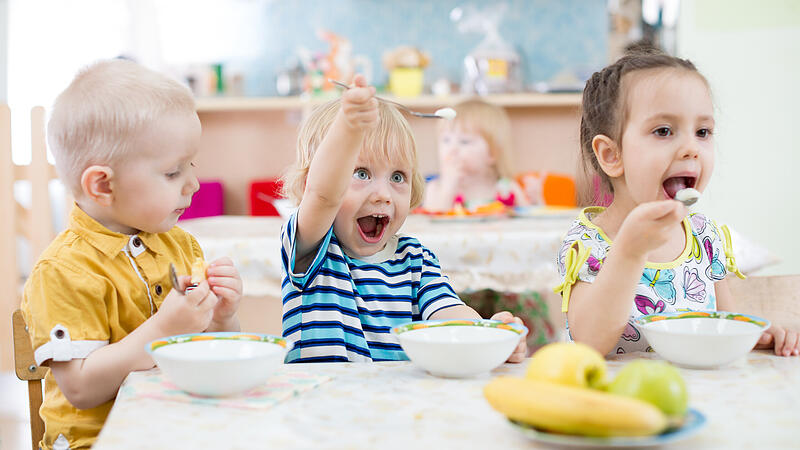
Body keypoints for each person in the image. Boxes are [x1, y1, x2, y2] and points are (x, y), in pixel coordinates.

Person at [20, 59, 244, 450]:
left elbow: (213, 354)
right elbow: (81, 389)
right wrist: (162, 329)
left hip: (177, 429)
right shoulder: (63, 271)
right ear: (103, 186)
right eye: (173, 172)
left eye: (191, 165)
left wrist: (222, 318)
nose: (193, 183)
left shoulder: (181, 245)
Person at [554, 49, 800, 357]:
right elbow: (589, 344)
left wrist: (753, 336)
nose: (691, 148)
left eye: (702, 132)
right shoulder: (588, 244)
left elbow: (723, 325)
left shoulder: (704, 237)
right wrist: (630, 251)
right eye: (664, 131)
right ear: (611, 155)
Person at [280, 76, 527, 363]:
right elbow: (324, 195)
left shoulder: (416, 259)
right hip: (319, 392)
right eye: (361, 173)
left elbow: (448, 312)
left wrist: (488, 335)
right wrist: (349, 127)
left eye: (397, 177)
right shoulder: (311, 248)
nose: (383, 195)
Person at [422, 98, 529, 211]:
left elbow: (529, 218)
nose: (452, 149)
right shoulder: (435, 188)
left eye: (464, 141)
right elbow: (434, 216)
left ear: (492, 153)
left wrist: (537, 200)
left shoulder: (507, 189)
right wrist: (448, 186)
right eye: (446, 140)